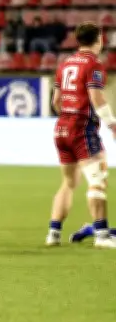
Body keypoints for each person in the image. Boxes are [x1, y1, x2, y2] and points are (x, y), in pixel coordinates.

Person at [47, 22, 116, 248]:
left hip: (62, 128)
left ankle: (53, 233)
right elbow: (96, 98)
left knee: (68, 183)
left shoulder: (65, 63)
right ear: (98, 39)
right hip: (81, 129)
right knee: (97, 181)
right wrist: (112, 125)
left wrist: (68, 117)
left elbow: (56, 101)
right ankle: (102, 235)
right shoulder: (93, 65)